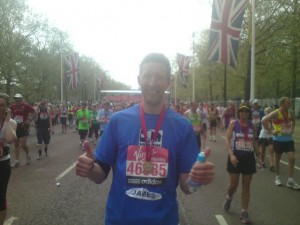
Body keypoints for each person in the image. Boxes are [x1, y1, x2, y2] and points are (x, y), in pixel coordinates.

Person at [76, 53, 215, 225]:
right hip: (119, 220)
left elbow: (187, 188)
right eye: (147, 76)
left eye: (159, 77)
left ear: (169, 82)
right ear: (139, 79)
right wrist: (89, 169)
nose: (152, 83)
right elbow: (100, 175)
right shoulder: (118, 121)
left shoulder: (183, 126)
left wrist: (197, 179)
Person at [223, 103, 257, 224]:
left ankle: (244, 211)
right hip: (235, 157)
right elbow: (227, 139)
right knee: (233, 185)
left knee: (246, 185)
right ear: (239, 113)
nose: (244, 113)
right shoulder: (233, 124)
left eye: (246, 111)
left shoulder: (253, 126)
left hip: (248, 158)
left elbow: (254, 142)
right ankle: (229, 198)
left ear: (249, 113)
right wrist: (231, 154)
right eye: (242, 111)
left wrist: (258, 157)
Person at [261, 97, 300, 189]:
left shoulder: (290, 112)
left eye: (290, 102)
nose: (289, 104)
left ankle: (290, 180)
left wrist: (292, 129)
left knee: (292, 158)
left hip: (289, 140)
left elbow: (293, 121)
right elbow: (263, 121)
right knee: (277, 158)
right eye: (288, 103)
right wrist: (271, 131)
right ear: (282, 104)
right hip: (278, 140)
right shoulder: (276, 113)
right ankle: (277, 177)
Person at [0, 93, 17, 225]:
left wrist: (7, 120)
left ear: (7, 107)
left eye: (2, 105)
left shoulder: (11, 123)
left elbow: (10, 139)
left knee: (0, 198)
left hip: (3, 164)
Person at [10, 93, 36, 167]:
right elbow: (9, 114)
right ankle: (17, 161)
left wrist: (29, 120)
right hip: (15, 127)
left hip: (23, 126)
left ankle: (28, 155)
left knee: (23, 144)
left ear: (21, 99)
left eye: (18, 99)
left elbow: (35, 112)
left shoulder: (26, 106)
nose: (17, 100)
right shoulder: (13, 106)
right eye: (16, 99)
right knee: (16, 144)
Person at [258, 107, 275, 171]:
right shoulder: (264, 118)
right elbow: (266, 126)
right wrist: (271, 131)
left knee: (271, 150)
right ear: (265, 113)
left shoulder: (273, 119)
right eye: (267, 111)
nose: (269, 113)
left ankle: (272, 166)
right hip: (263, 136)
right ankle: (262, 162)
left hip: (270, 136)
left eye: (270, 111)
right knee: (263, 151)